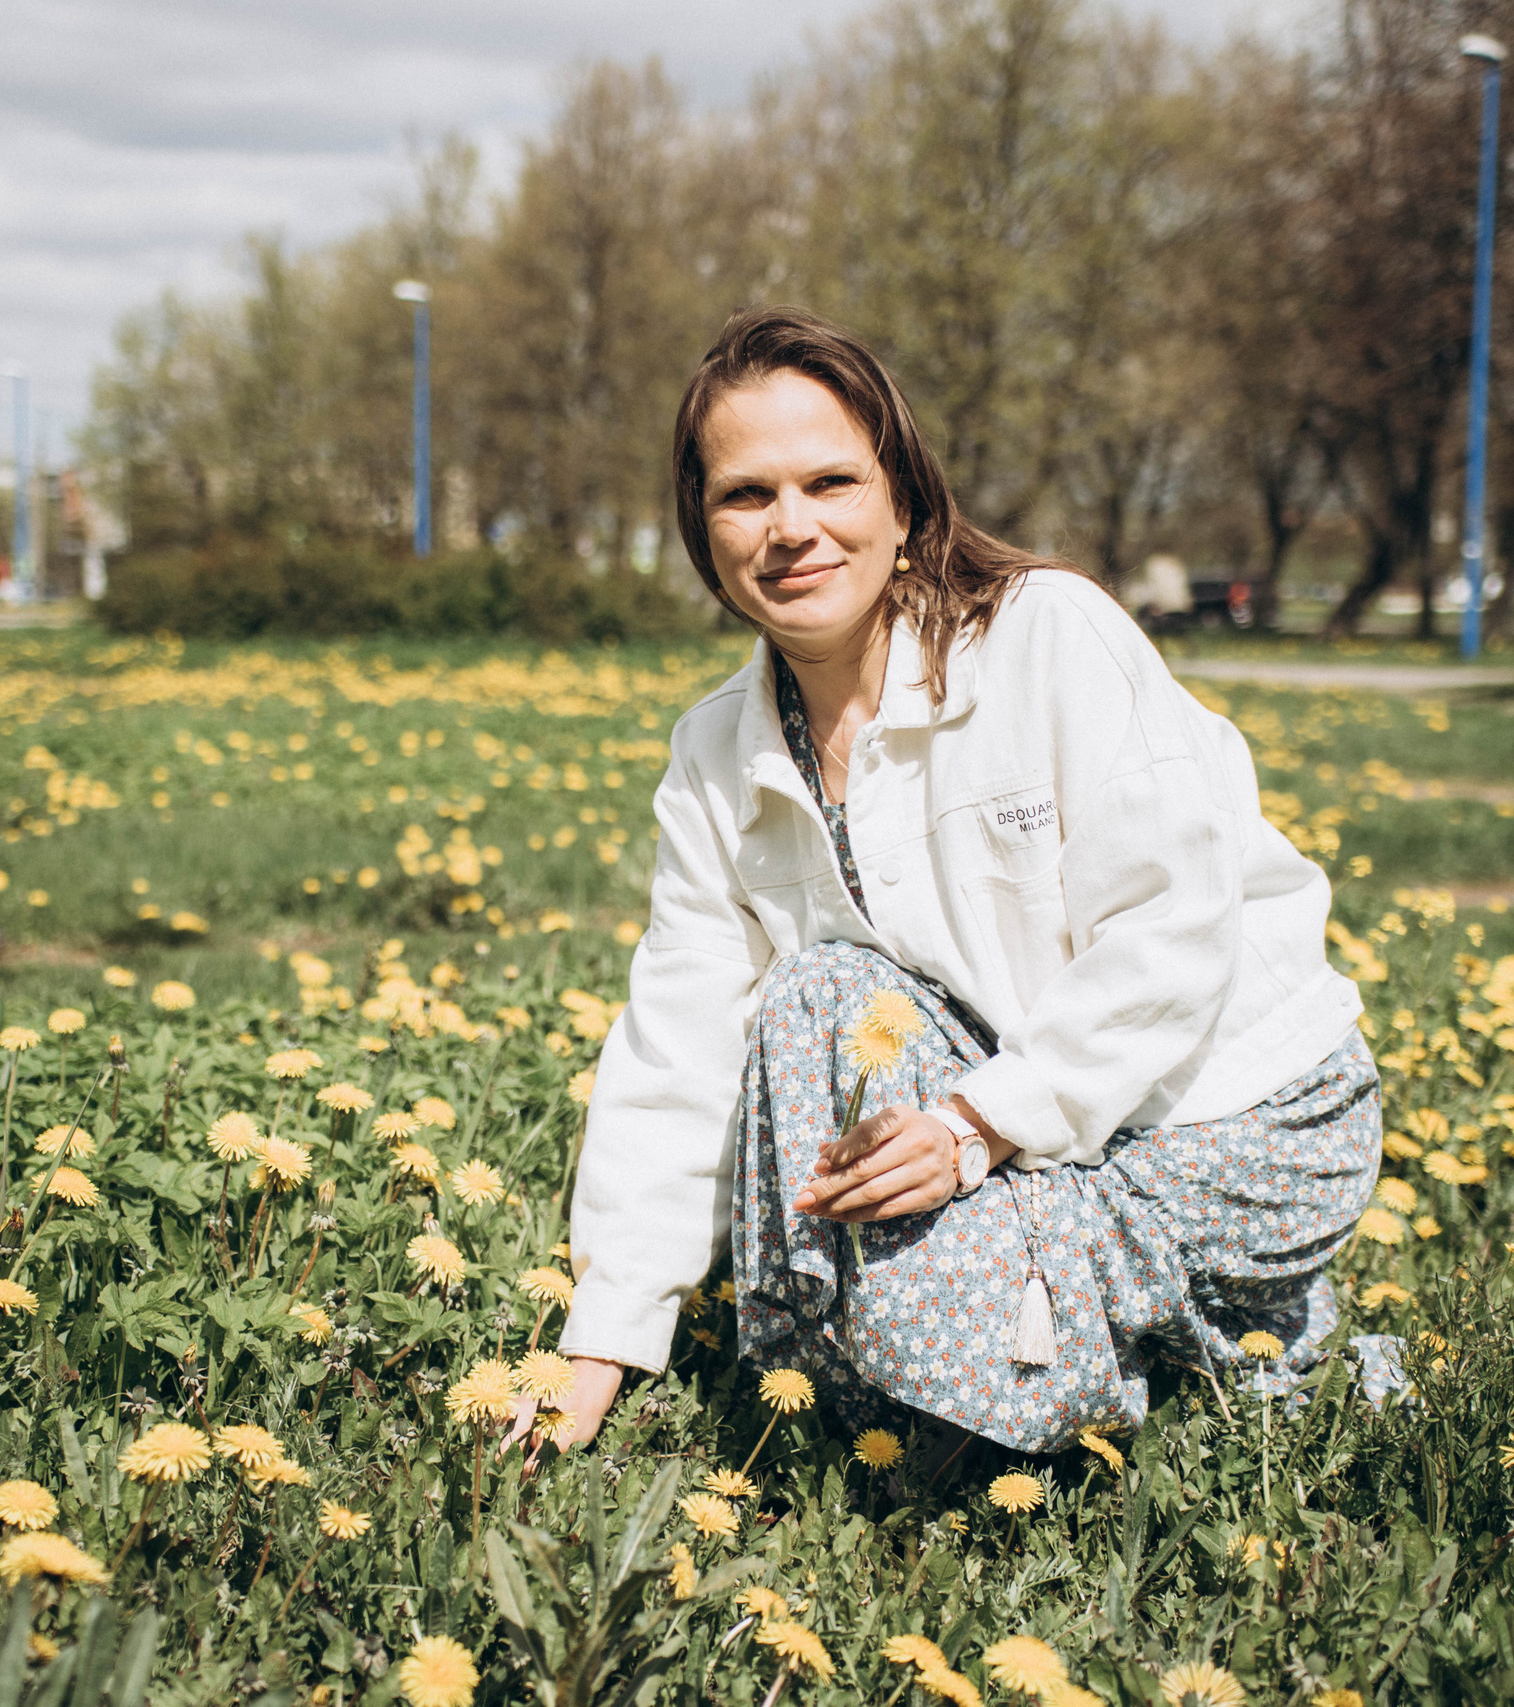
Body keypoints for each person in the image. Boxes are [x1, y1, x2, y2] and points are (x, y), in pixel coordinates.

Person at [542, 307, 1381, 1456]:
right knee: (816, 999)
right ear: (702, 525)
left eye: (830, 482)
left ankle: (1247, 1349)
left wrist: (975, 1126)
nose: (790, 528)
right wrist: (603, 1338)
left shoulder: (1047, 635)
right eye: (745, 495)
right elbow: (678, 1048)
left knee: (923, 1360)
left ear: (902, 499)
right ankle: (1148, 1338)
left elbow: (1174, 927)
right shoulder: (713, 754)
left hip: (1235, 1115)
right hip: (1024, 1126)